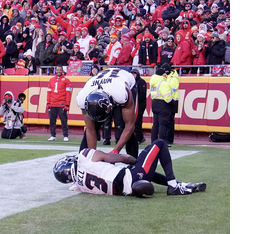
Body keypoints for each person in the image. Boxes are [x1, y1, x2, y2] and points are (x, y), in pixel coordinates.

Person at [53, 139, 206, 196]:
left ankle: (177, 183)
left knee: (145, 170)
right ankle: (173, 186)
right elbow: (123, 158)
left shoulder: (78, 186)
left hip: (125, 189)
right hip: (131, 177)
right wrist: (136, 161)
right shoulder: (86, 154)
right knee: (159, 144)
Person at [76, 67, 139, 157]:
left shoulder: (121, 93)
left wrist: (115, 151)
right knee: (93, 126)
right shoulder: (82, 98)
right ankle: (83, 158)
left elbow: (130, 125)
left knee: (126, 125)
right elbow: (90, 129)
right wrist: (91, 157)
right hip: (105, 85)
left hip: (122, 82)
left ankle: (134, 162)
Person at [149, 63, 179, 146]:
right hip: (163, 105)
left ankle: (153, 141)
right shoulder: (163, 83)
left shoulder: (153, 82)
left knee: (155, 124)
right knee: (163, 124)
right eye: (165, 73)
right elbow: (167, 97)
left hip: (155, 103)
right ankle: (162, 142)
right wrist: (171, 103)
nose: (166, 75)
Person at [46, 66, 71, 142]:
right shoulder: (51, 80)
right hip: (53, 103)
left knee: (64, 120)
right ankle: (53, 135)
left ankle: (65, 135)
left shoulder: (67, 80)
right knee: (52, 120)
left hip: (62, 103)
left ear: (62, 71)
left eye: (60, 70)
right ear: (55, 70)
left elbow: (68, 93)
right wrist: (48, 102)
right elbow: (49, 92)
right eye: (57, 70)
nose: (59, 71)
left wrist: (67, 104)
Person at [132, 69, 148, 143]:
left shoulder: (141, 82)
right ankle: (135, 137)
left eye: (134, 74)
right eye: (132, 74)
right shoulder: (131, 82)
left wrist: (135, 99)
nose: (133, 75)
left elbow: (142, 95)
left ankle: (139, 137)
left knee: (138, 121)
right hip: (133, 104)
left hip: (140, 105)